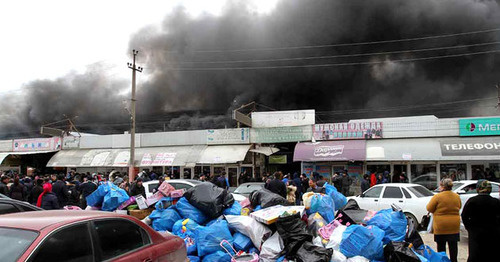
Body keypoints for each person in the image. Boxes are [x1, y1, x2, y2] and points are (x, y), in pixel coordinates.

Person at [461, 180, 500, 262]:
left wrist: (469, 228)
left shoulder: (472, 201)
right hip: (493, 233)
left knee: (476, 254)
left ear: (478, 189)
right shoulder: (496, 202)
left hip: (476, 233)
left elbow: (464, 216)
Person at [426, 178, 461, 262]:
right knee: (453, 247)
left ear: (442, 186)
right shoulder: (456, 196)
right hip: (454, 226)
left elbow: (429, 208)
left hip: (441, 226)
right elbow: (459, 206)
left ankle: (443, 260)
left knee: (441, 247)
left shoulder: (437, 196)